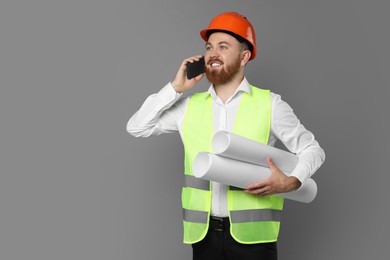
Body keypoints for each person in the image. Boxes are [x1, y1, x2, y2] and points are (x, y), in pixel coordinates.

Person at [127, 12, 325, 260]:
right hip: (203, 236)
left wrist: (293, 180)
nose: (213, 53)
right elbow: (137, 127)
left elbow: (313, 149)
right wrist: (175, 88)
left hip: (254, 238)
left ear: (244, 56)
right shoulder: (189, 106)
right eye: (209, 47)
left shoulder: (270, 104)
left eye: (223, 47)